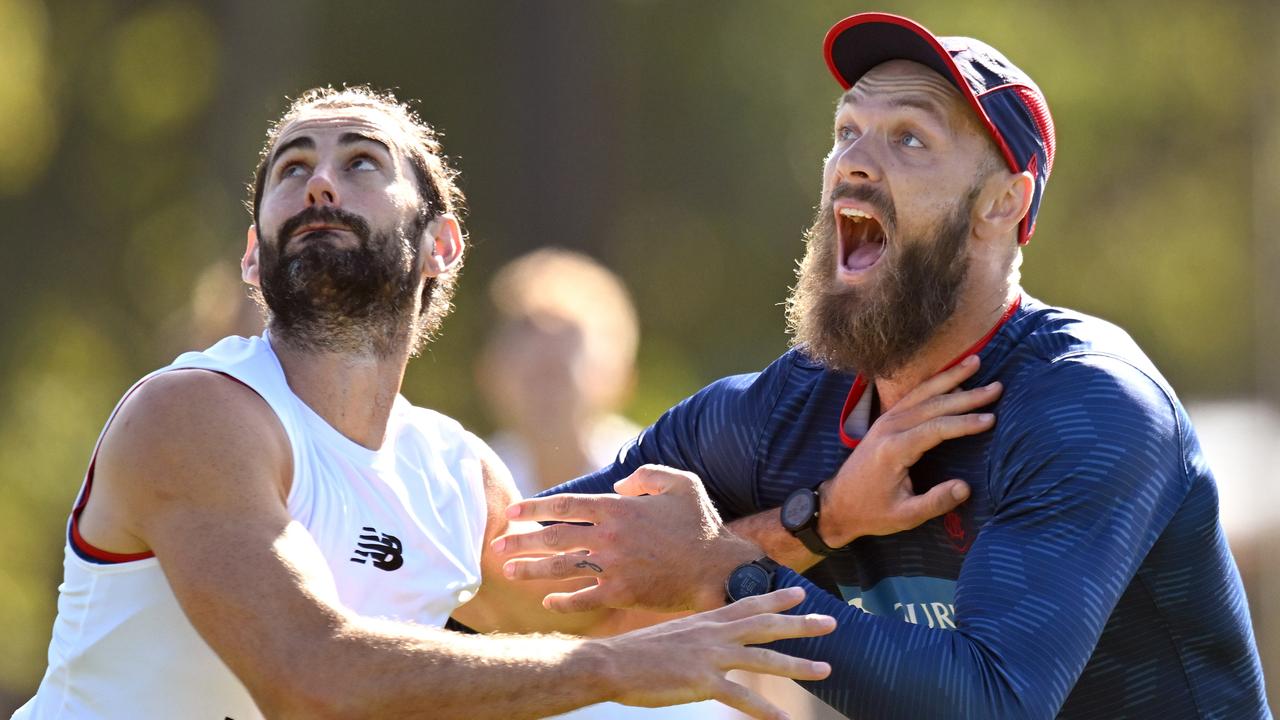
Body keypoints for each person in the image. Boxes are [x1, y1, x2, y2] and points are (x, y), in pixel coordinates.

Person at [494, 12, 1271, 719]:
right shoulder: (779, 413)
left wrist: (729, 571)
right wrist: (817, 519)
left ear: (1001, 203)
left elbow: (991, 701)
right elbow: (503, 580)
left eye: (909, 138)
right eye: (846, 131)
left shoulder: (1091, 406)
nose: (853, 163)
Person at [13, 86, 842, 720]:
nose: (320, 184)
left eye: (360, 163)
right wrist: (613, 673)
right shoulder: (195, 414)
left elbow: (598, 615)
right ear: (250, 259)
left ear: (440, 246)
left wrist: (829, 518)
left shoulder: (455, 473)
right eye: (291, 169)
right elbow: (311, 678)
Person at [478, 248, 642, 500]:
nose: (546, 396)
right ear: (491, 374)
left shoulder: (651, 483)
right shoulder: (469, 485)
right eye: (533, 378)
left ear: (619, 378)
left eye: (559, 375)